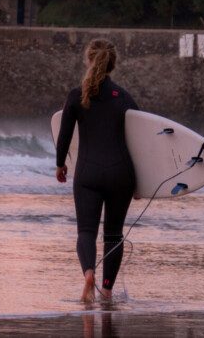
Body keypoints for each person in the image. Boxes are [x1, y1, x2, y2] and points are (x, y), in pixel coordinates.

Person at [55, 39, 139, 303]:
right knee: (113, 234)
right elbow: (141, 140)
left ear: (89, 60)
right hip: (120, 175)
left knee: (86, 232)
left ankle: (89, 274)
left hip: (88, 174)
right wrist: (141, 183)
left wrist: (60, 165)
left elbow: (64, 138)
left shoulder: (76, 96)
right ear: (112, 64)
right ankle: (107, 290)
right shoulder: (125, 98)